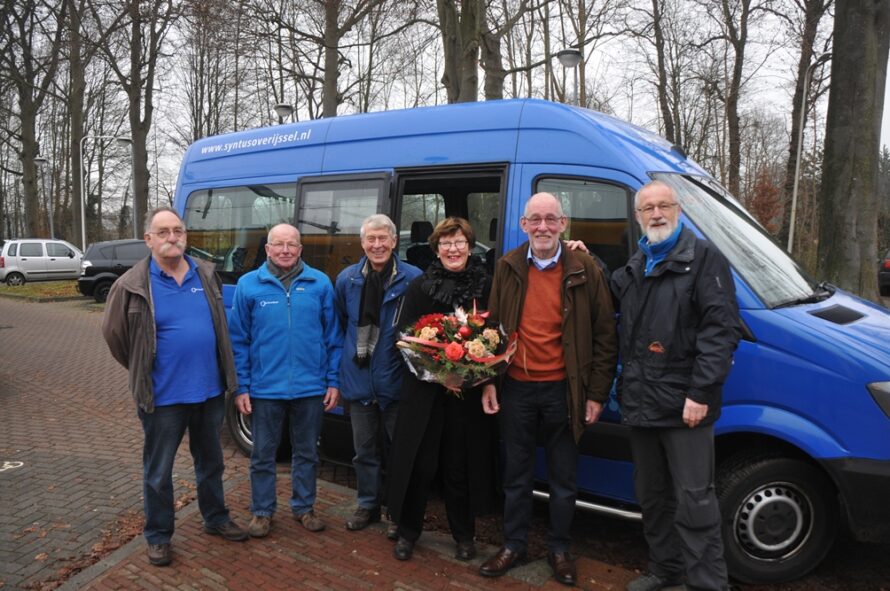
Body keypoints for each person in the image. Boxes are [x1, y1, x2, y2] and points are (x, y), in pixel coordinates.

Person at [480, 192, 618, 587]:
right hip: (517, 389)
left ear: (563, 223)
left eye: (550, 219)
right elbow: (490, 332)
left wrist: (595, 395)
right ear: (523, 225)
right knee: (516, 475)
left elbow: (605, 335)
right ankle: (514, 545)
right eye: (535, 219)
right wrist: (489, 381)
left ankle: (559, 550)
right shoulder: (507, 267)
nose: (543, 226)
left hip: (565, 391)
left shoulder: (585, 268)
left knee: (563, 479)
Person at [611, 181, 741, 591]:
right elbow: (612, 303)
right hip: (642, 402)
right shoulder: (638, 264)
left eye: (663, 205)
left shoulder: (703, 259)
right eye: (647, 208)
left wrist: (701, 393)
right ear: (637, 217)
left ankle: (707, 584)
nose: (656, 214)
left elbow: (721, 332)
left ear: (678, 209)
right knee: (652, 496)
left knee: (695, 501)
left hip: (686, 406)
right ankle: (665, 571)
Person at [102, 206, 248, 568]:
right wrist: (143, 370)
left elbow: (219, 329)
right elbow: (116, 337)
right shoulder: (132, 285)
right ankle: (159, 536)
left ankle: (215, 518)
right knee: (158, 471)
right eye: (164, 232)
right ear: (148, 239)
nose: (172, 237)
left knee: (211, 462)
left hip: (210, 393)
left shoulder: (205, 274)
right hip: (163, 398)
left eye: (178, 231)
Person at [386, 217, 501, 562]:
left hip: (466, 395)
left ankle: (464, 535)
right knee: (421, 464)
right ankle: (408, 531)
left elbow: (496, 337)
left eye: (460, 242)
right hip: (425, 392)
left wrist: (478, 377)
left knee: (458, 465)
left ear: (470, 246)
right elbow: (404, 339)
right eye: (446, 244)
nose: (453, 249)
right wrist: (438, 373)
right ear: (436, 249)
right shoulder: (420, 286)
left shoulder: (486, 285)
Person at [228, 223, 343, 538]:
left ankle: (304, 507)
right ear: (267, 248)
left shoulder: (320, 283)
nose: (285, 250)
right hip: (266, 390)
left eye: (292, 244)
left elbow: (334, 338)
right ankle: (262, 512)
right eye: (278, 244)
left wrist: (333, 381)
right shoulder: (249, 285)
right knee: (263, 455)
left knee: (307, 453)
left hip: (310, 388)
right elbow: (238, 341)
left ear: (300, 248)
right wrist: (241, 386)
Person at [335, 214, 421, 532]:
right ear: (362, 243)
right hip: (359, 382)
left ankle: (397, 511)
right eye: (371, 239)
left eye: (383, 238)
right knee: (364, 452)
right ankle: (367, 505)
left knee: (400, 452)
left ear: (395, 241)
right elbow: (341, 325)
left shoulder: (413, 278)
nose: (377, 244)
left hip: (397, 383)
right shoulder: (347, 279)